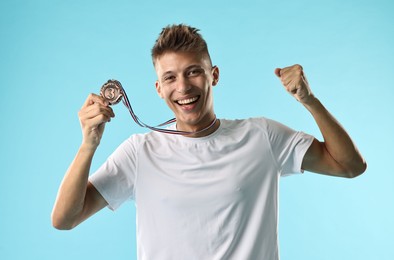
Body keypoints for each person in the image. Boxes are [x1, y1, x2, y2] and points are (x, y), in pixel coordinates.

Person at [51, 24, 366, 260]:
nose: (184, 87)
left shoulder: (262, 136)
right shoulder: (139, 152)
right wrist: (88, 145)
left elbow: (349, 166)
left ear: (213, 75)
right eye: (171, 77)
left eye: (193, 72)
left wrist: (309, 100)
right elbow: (64, 219)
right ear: (158, 88)